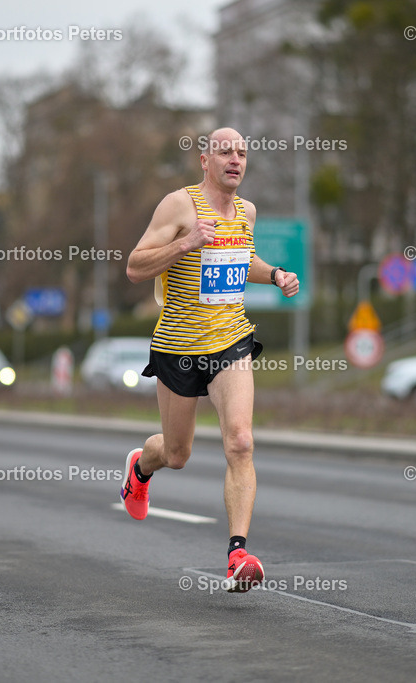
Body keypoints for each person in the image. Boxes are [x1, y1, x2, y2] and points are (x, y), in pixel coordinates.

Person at [121, 127, 300, 593]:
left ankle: (237, 554)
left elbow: (244, 261)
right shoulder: (178, 206)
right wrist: (185, 243)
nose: (235, 159)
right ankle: (141, 466)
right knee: (177, 455)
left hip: (231, 343)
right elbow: (135, 267)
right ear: (205, 160)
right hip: (179, 347)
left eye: (242, 152)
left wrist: (275, 274)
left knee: (241, 442)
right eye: (225, 152)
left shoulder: (247, 212)